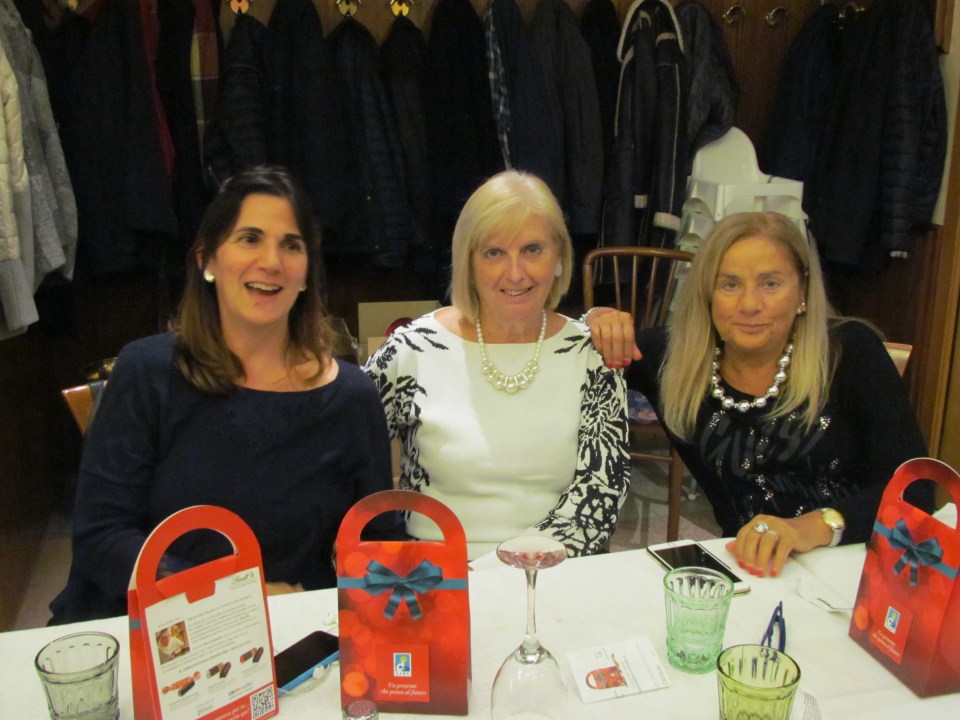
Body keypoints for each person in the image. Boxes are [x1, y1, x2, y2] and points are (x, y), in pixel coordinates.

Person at [50, 166, 399, 623]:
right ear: (207, 260)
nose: (271, 261)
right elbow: (101, 535)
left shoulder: (352, 396)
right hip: (154, 627)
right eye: (249, 239)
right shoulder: (147, 372)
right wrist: (225, 598)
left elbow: (378, 539)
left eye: (291, 245)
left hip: (289, 632)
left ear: (306, 273)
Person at [587, 212, 933, 576]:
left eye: (770, 284)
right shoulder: (673, 358)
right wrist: (596, 320)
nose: (750, 304)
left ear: (802, 291)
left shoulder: (849, 352)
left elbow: (918, 491)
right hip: (752, 571)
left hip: (856, 570)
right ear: (707, 293)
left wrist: (813, 527)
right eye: (730, 285)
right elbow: (571, 354)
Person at [364, 170, 631, 560]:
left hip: (549, 571)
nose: (516, 273)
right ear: (468, 262)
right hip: (433, 575)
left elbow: (600, 495)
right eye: (494, 253)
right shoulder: (413, 349)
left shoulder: (593, 355)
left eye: (533, 250)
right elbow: (345, 455)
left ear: (559, 256)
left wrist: (501, 574)